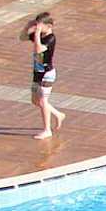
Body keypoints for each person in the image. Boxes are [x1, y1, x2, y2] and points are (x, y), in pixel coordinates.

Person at [22, 11, 65, 139]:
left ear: (49, 26)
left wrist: (36, 33)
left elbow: (38, 49)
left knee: (42, 101)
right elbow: (22, 37)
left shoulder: (50, 38)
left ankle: (47, 130)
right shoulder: (40, 35)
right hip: (37, 73)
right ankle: (58, 114)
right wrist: (27, 26)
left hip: (47, 73)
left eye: (41, 26)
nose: (38, 29)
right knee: (35, 100)